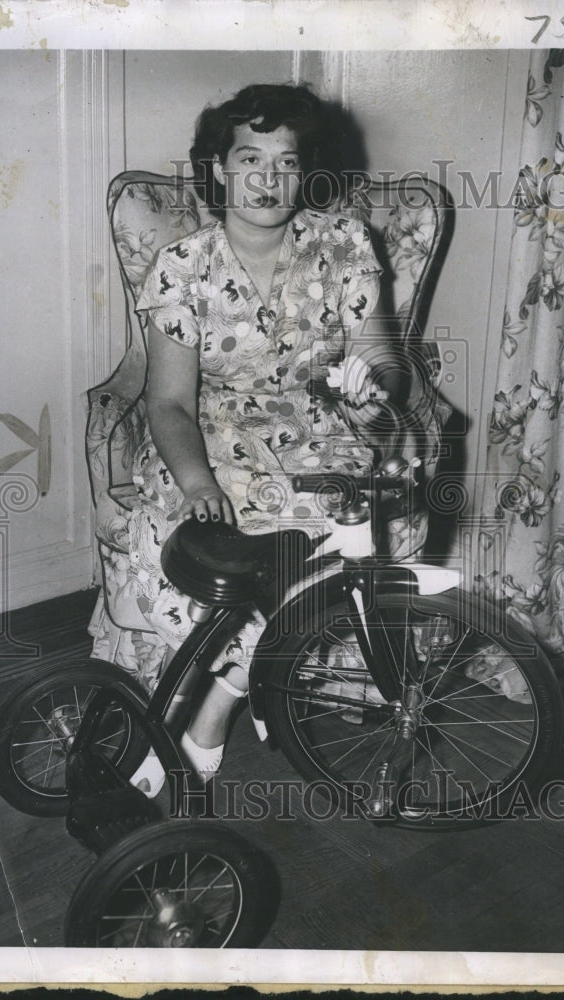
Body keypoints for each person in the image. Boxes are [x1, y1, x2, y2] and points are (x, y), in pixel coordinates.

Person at [125, 83, 422, 796]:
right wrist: (197, 482)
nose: (265, 178)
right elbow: (167, 402)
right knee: (213, 556)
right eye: (247, 157)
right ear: (218, 168)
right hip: (212, 437)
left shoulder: (345, 243)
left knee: (332, 549)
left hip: (323, 427)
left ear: (306, 170)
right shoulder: (181, 266)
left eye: (284, 162)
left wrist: (370, 384)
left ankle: (221, 703)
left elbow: (382, 360)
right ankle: (208, 691)